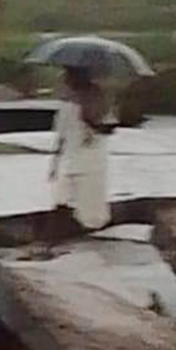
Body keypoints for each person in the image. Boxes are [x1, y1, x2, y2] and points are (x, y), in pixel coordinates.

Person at [48, 66, 112, 231]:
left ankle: (87, 224)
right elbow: (62, 135)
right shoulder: (68, 104)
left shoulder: (93, 100)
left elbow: (105, 127)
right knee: (65, 194)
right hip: (73, 157)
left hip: (86, 157)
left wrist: (92, 125)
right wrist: (54, 162)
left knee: (86, 196)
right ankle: (71, 224)